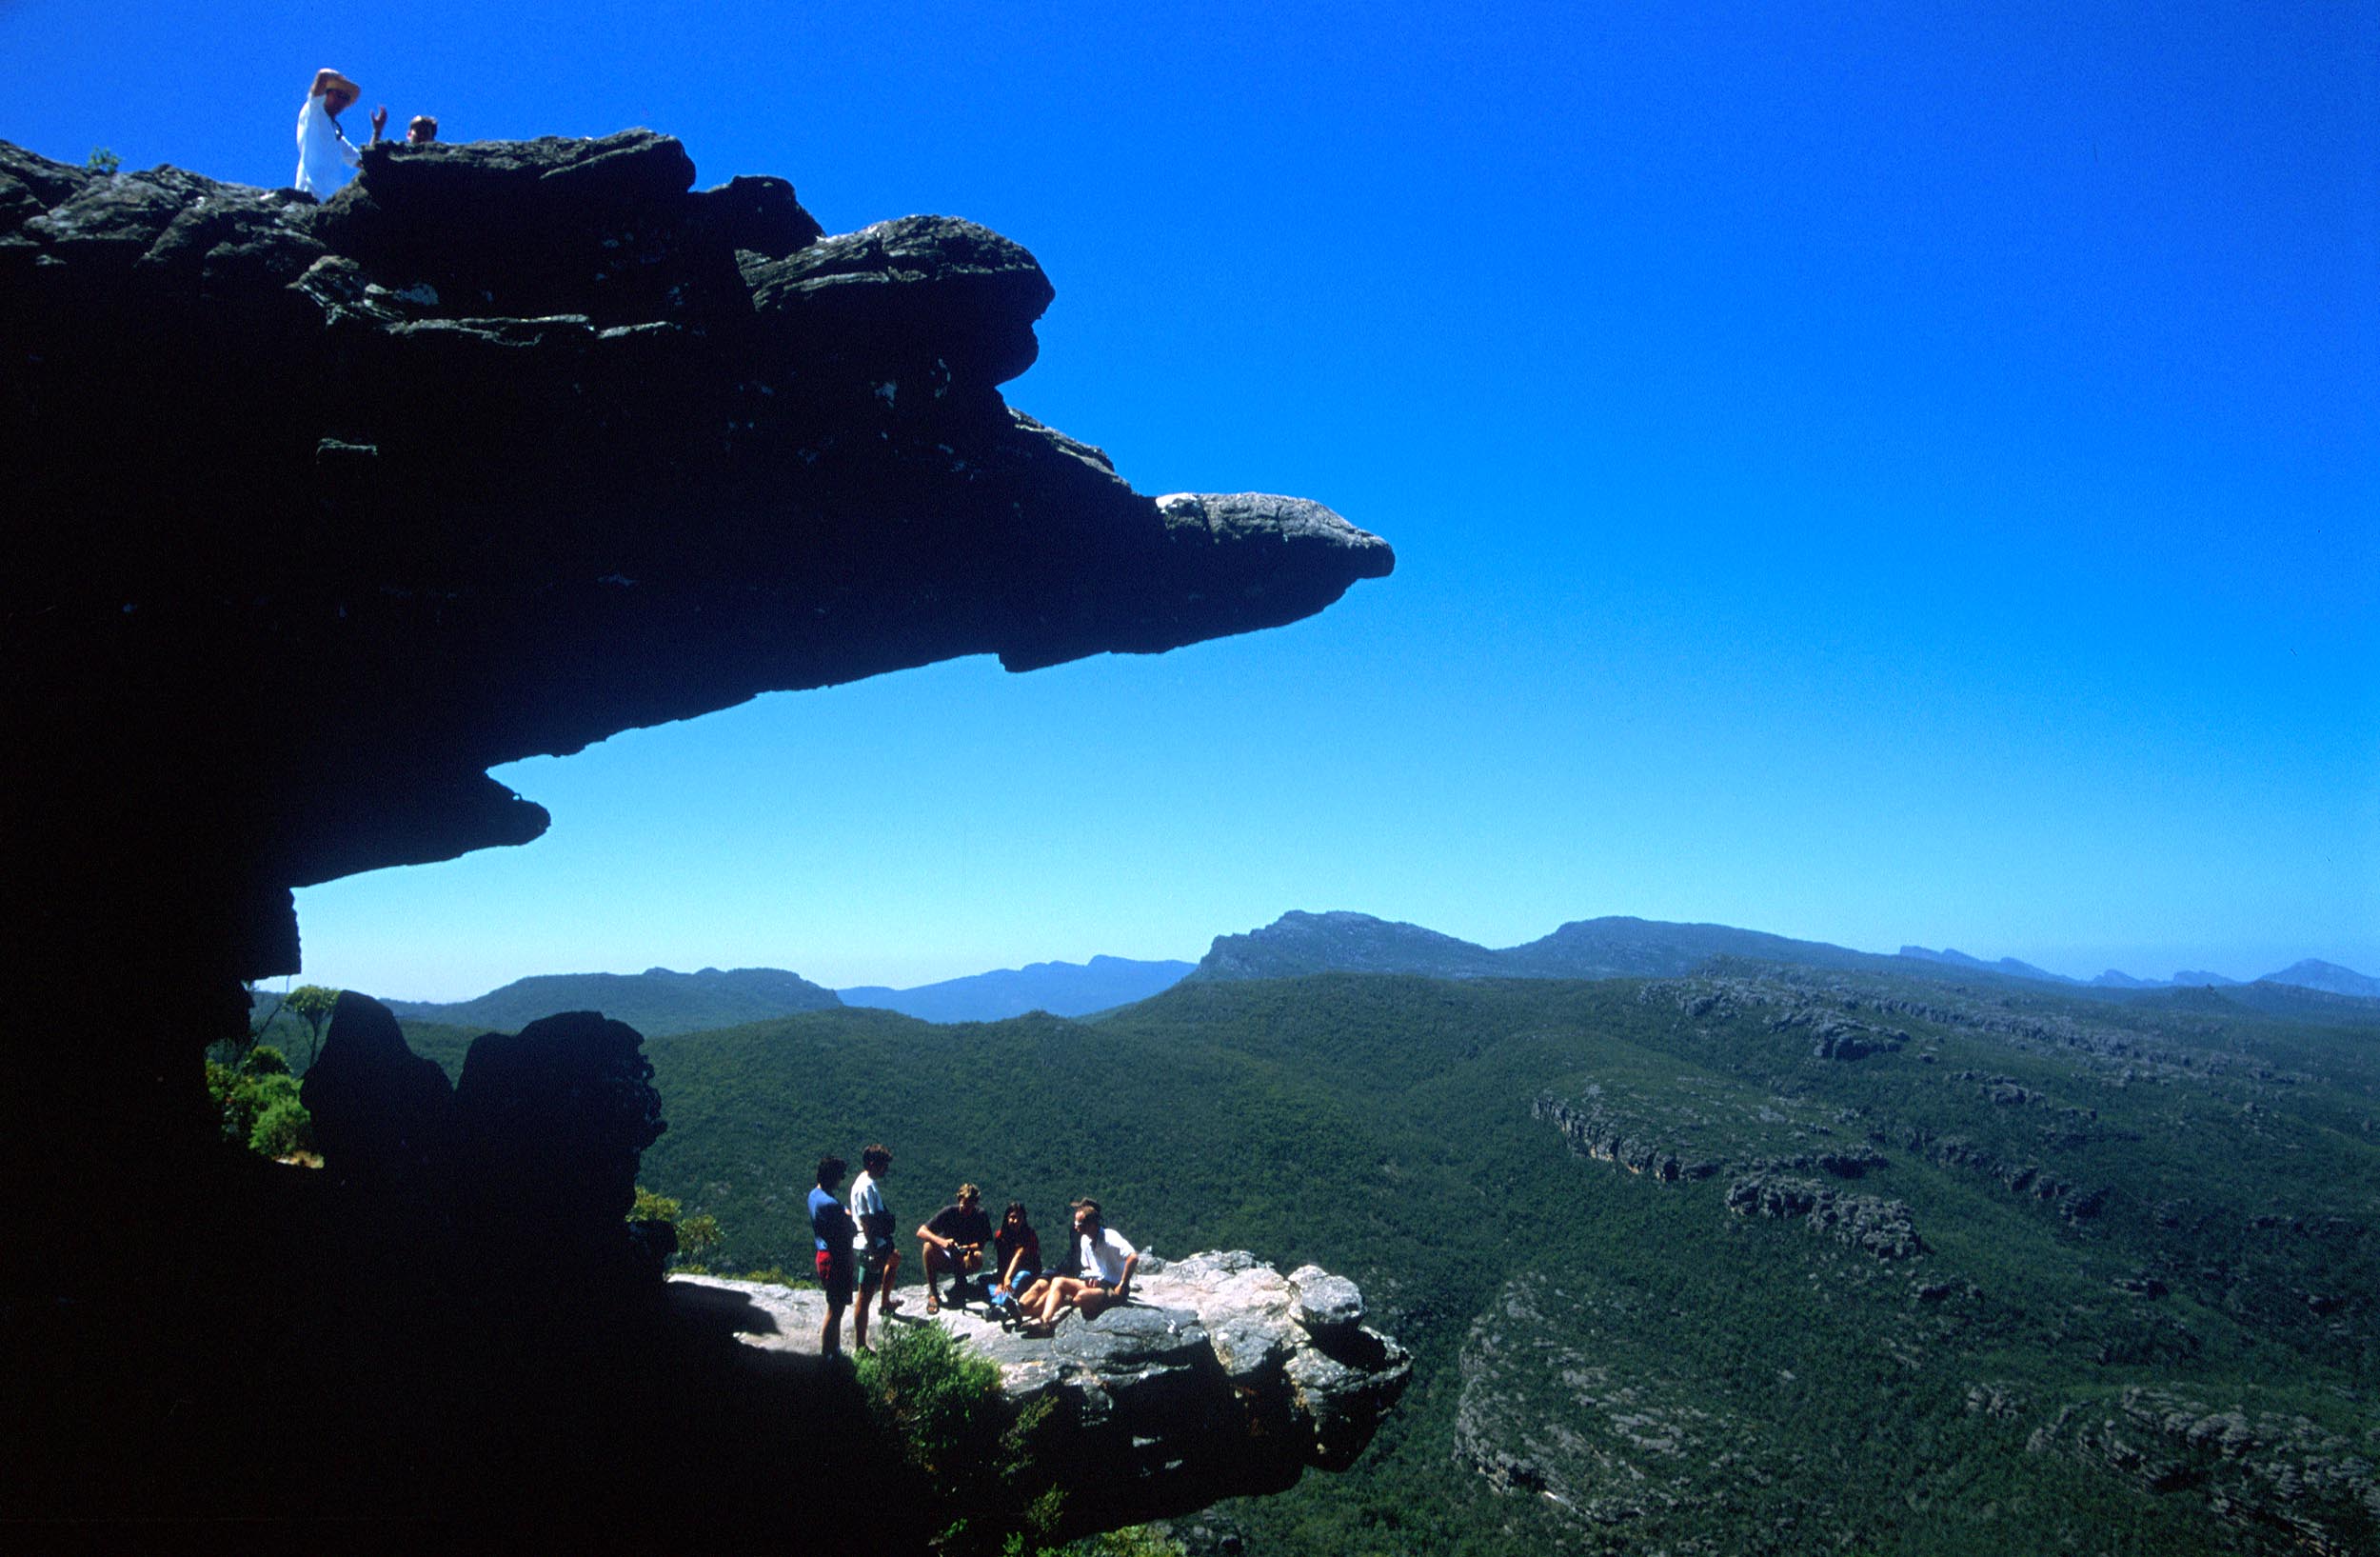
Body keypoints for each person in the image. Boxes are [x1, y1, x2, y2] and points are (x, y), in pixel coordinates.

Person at [1021, 1198, 1137, 1332]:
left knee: (1080, 1297)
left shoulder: (1110, 1237)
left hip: (1114, 1287)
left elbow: (1133, 1257)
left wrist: (1122, 1283)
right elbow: (1087, 1267)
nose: (1076, 1226)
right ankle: (1045, 1321)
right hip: (1099, 1283)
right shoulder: (1085, 1240)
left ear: (1092, 1225)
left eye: (1080, 1223)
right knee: (1058, 1281)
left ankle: (1064, 1301)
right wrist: (1090, 1278)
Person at [294, 68, 387, 199]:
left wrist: (377, 132)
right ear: (326, 93)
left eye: (346, 99)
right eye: (339, 95)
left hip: (329, 199)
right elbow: (322, 75)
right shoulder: (314, 111)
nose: (342, 102)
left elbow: (363, 162)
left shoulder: (336, 136)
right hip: (308, 192)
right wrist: (337, 77)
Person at [847, 1144, 902, 1350]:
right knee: (865, 1293)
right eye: (882, 1165)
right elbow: (867, 1221)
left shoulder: (865, 1181)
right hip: (869, 1244)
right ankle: (861, 1344)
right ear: (872, 1164)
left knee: (895, 1257)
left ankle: (885, 1303)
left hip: (875, 1242)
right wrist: (873, 1249)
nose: (885, 1169)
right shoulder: (867, 1186)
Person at [807, 1156, 859, 1358]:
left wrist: (844, 1213)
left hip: (823, 1254)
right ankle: (828, 1354)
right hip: (835, 1259)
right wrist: (846, 1216)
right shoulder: (830, 1204)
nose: (841, 1180)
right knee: (835, 1310)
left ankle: (834, 1349)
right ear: (832, 1177)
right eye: (840, 1176)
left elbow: (842, 1213)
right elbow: (851, 1228)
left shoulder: (815, 1195)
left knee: (834, 1306)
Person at [917, 1183, 993, 1315]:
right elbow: (921, 1231)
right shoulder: (949, 1212)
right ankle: (933, 1293)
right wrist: (942, 1242)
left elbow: (981, 1244)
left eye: (970, 1207)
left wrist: (966, 1248)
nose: (966, 1210)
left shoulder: (980, 1215)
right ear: (959, 1200)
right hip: (947, 1257)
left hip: (965, 1258)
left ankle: (960, 1282)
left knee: (978, 1256)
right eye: (964, 1206)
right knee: (928, 1247)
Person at [988, 1201, 1043, 1320]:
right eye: (1012, 1217)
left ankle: (998, 1304)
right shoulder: (1000, 1236)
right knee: (982, 1279)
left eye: (1019, 1218)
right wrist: (1001, 1282)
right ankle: (1004, 1301)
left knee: (1022, 1275)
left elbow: (1018, 1256)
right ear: (1006, 1218)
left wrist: (1006, 1278)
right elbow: (1001, 1261)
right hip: (1008, 1272)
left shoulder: (1029, 1235)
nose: (1016, 1221)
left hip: (1028, 1271)